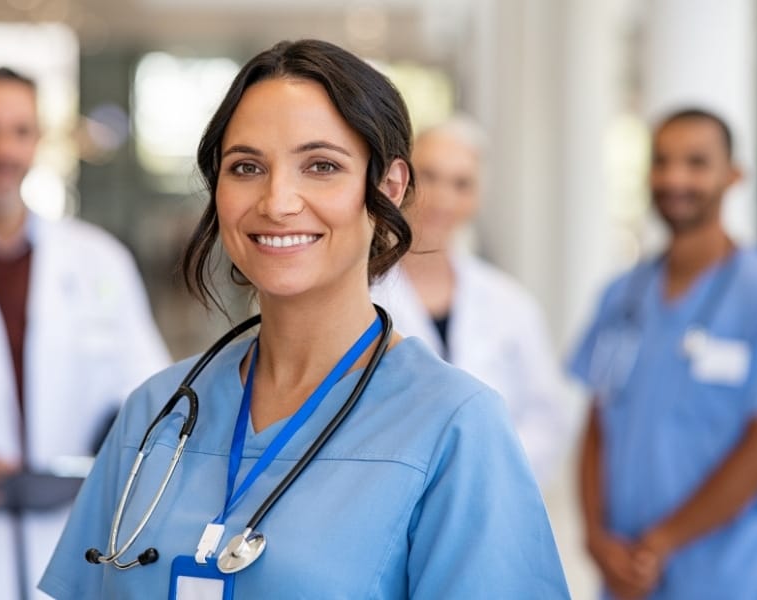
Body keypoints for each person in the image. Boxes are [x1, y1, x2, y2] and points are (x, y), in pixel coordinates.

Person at [39, 39, 570, 599]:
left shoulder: (454, 427)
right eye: (246, 167)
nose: (277, 201)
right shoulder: (157, 413)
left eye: (321, 166)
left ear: (388, 188)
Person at [0, 67, 170, 599]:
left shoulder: (98, 260)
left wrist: (117, 435)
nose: (4, 150)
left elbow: (148, 387)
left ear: (39, 142)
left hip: (67, 538)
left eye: (20, 132)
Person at [569, 108, 757, 599]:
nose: (675, 178)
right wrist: (594, 539)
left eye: (696, 163)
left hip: (725, 578)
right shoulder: (622, 295)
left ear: (733, 175)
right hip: (626, 576)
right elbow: (596, 427)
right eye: (663, 161)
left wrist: (660, 544)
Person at [371, 116, 571, 487]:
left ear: (477, 197)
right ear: (398, 181)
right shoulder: (361, 296)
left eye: (462, 184)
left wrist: (490, 472)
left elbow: (547, 417)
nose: (443, 198)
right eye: (429, 175)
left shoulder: (511, 304)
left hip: (493, 493)